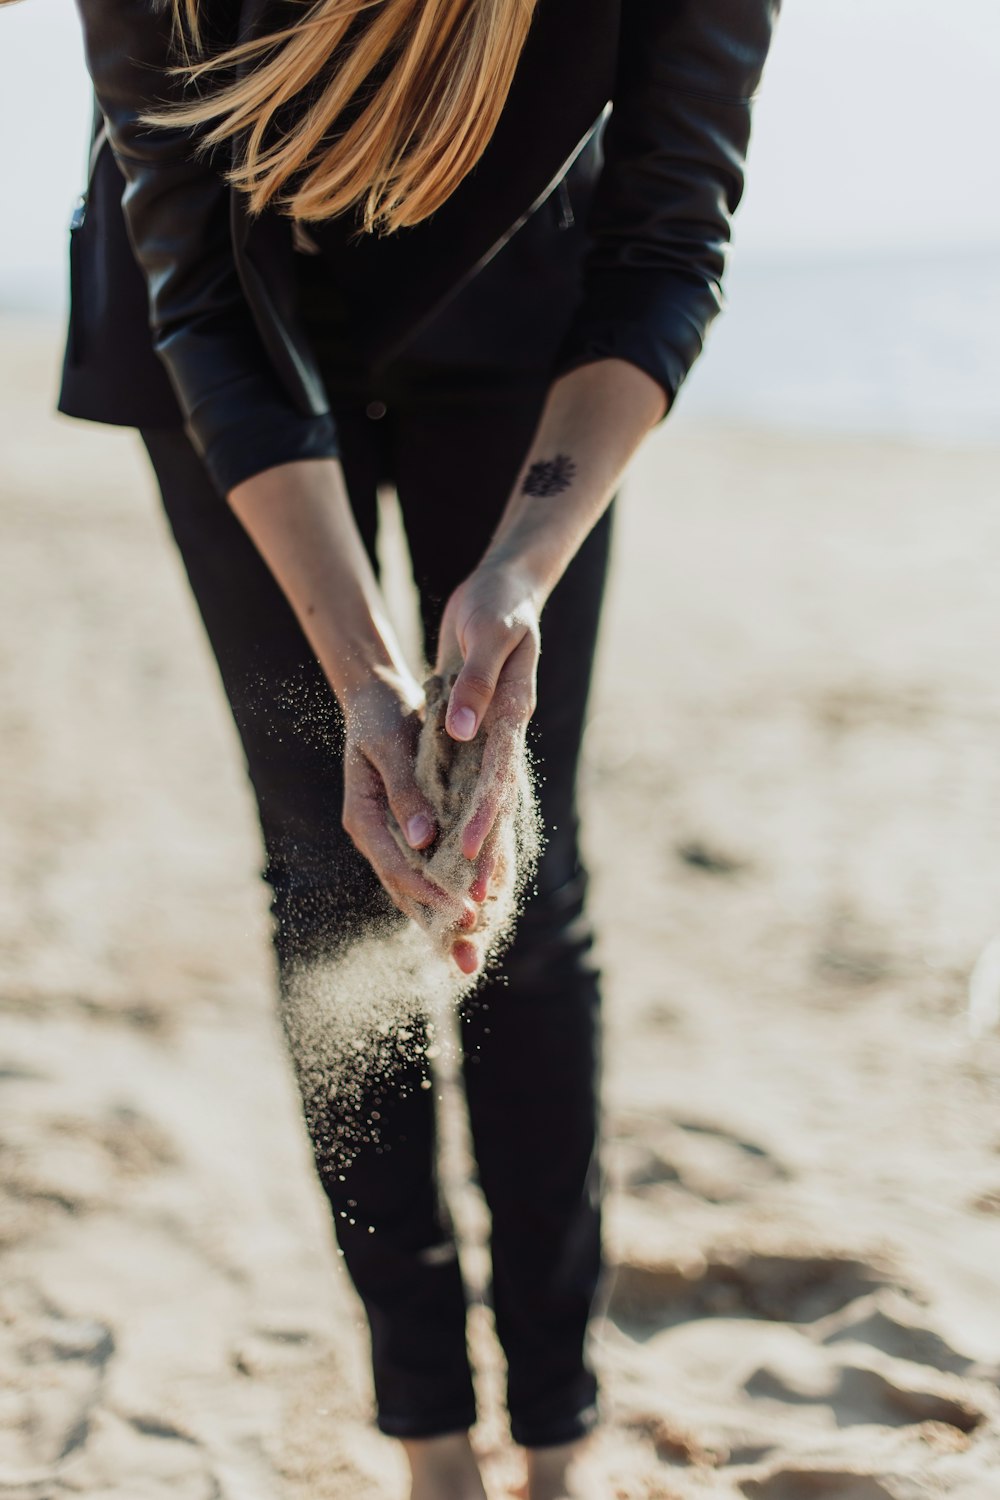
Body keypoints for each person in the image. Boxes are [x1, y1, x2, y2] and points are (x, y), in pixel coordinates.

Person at [60, 1, 779, 1494]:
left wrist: (511, 582)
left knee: (507, 880)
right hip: (222, 331)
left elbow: (667, 245)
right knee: (336, 872)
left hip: (528, 324)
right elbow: (197, 293)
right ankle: (430, 1437)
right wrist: (364, 676)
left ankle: (558, 1429)